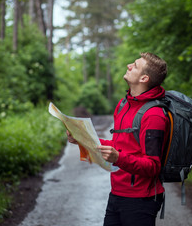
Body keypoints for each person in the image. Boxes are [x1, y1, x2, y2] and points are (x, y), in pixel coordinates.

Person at [67, 52, 170, 226]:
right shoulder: (124, 105)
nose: (129, 65)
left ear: (144, 78)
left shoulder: (154, 115)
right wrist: (82, 139)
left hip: (141, 200)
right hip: (117, 193)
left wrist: (119, 158)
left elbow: (153, 166)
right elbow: (119, 145)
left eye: (135, 65)